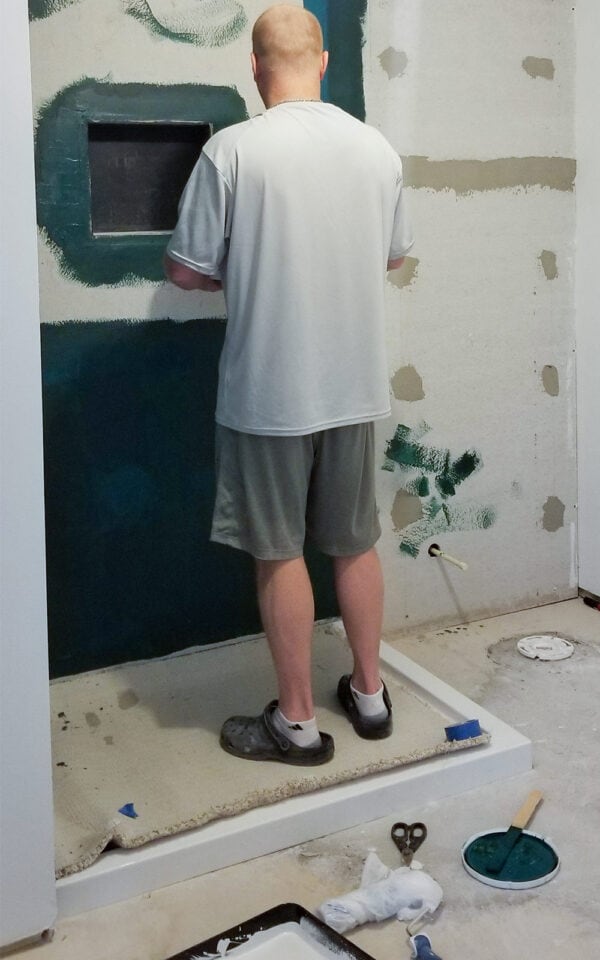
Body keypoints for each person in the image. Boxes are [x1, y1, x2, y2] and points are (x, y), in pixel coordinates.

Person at [164, 3, 413, 766]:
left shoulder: (233, 152)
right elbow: (393, 258)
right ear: (325, 62)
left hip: (270, 389)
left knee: (279, 553)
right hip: (356, 385)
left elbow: (185, 269)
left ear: (254, 65)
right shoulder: (377, 150)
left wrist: (248, 266)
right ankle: (369, 695)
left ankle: (298, 723)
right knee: (355, 542)